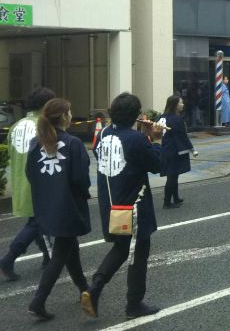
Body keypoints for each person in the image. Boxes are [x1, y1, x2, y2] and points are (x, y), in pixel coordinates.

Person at [83, 92, 162, 319]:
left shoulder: (105, 134)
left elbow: (126, 154)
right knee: (138, 252)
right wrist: (155, 140)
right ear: (136, 116)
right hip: (133, 205)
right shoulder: (135, 139)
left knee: (120, 248)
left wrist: (143, 137)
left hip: (111, 203)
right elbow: (157, 164)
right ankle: (134, 304)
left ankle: (94, 288)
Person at [23, 98, 91, 320]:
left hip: (46, 204)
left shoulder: (36, 143)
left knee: (69, 249)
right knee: (61, 252)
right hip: (68, 205)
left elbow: (30, 175)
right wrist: (84, 193)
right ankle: (38, 301)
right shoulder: (73, 143)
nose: (72, 116)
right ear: (63, 117)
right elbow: (81, 178)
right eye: (69, 112)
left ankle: (85, 290)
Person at [0, 87, 55, 282]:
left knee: (37, 221)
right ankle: (8, 259)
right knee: (37, 222)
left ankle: (48, 256)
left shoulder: (16, 126)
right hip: (40, 182)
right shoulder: (44, 126)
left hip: (20, 182)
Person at [159, 96, 194, 209]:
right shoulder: (176, 119)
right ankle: (167, 202)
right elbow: (182, 136)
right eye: (181, 103)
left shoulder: (161, 117)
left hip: (164, 149)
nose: (183, 104)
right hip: (173, 150)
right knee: (172, 176)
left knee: (173, 175)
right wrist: (192, 149)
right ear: (175, 105)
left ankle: (176, 197)